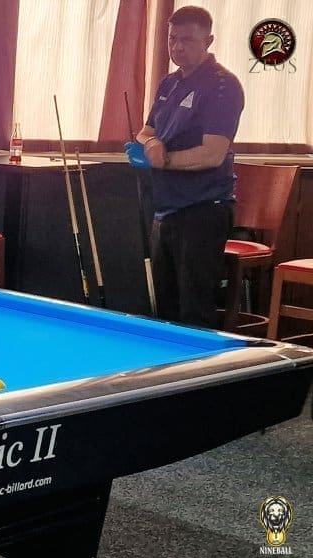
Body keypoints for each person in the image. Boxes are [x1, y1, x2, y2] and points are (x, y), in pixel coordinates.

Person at [125, 5, 244, 329]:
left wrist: (164, 160)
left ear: (208, 41)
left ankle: (207, 363)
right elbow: (145, 131)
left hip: (203, 208)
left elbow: (212, 154)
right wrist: (151, 144)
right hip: (166, 208)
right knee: (163, 308)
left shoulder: (223, 86)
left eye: (187, 40)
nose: (177, 47)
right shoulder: (169, 83)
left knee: (194, 311)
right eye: (172, 39)